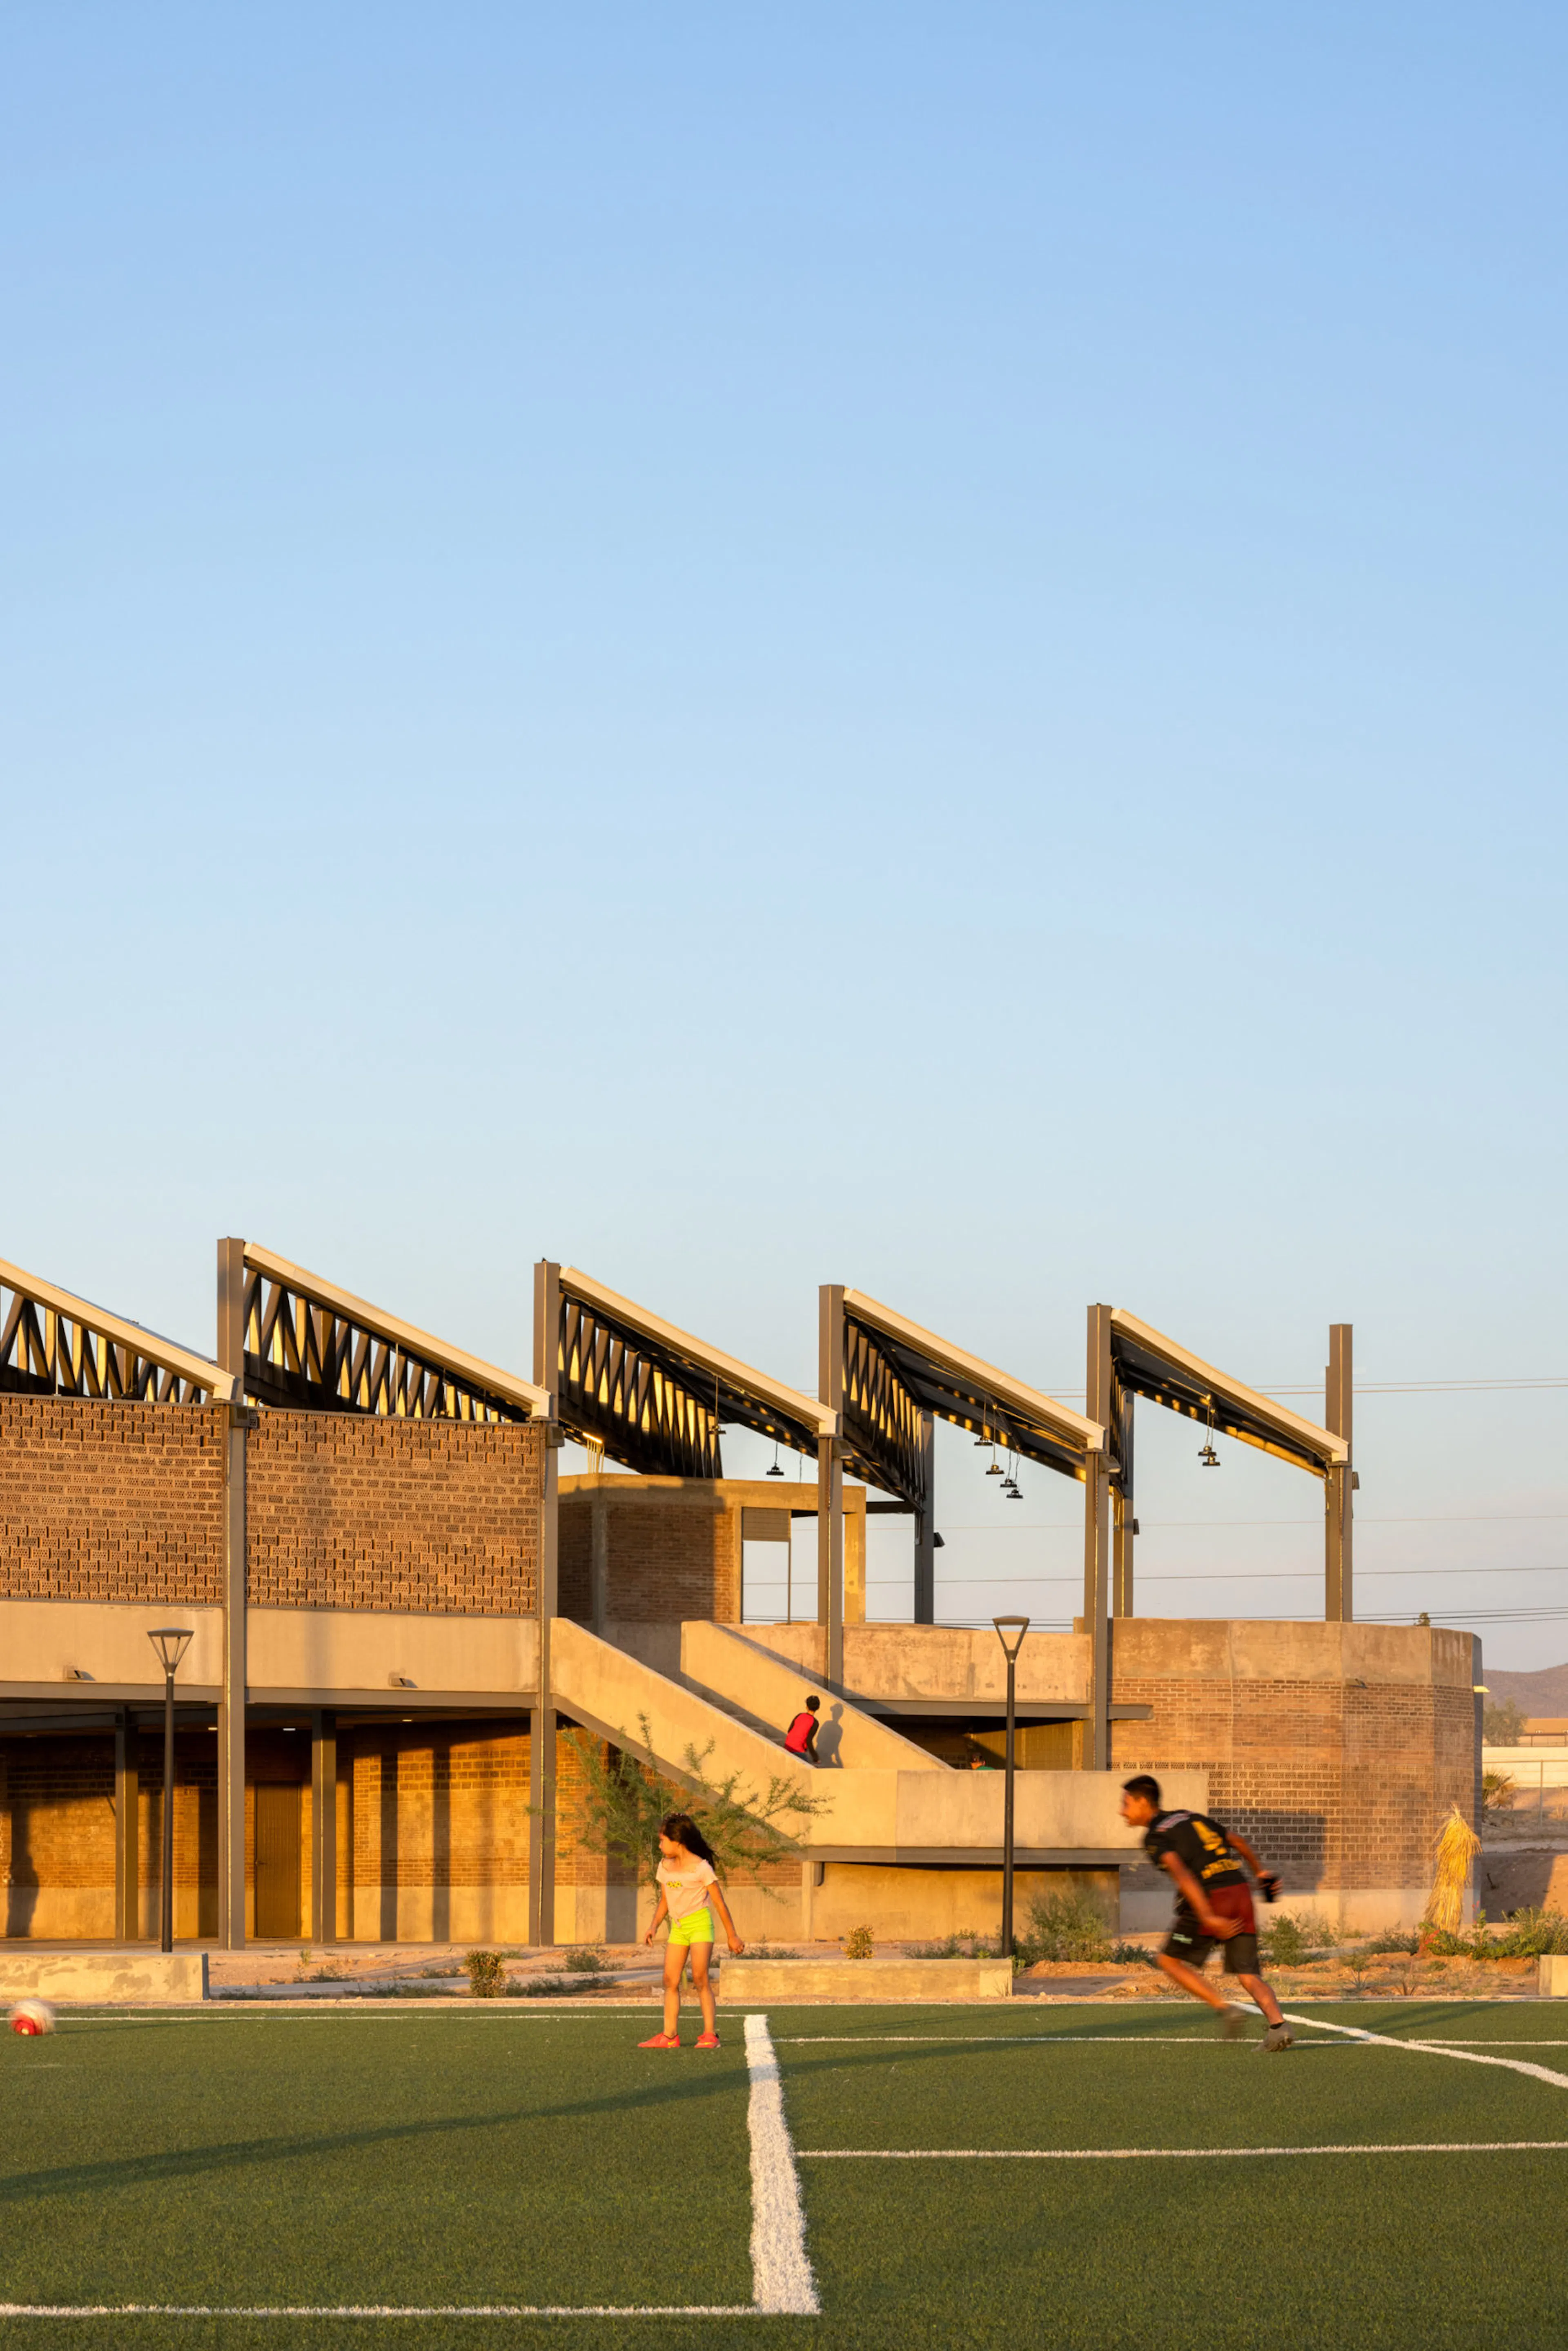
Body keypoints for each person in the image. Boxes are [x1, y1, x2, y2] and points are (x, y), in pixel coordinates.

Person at [1119, 1774, 1293, 2052]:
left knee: (1168, 1961)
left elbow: (1182, 1874)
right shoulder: (1189, 1817)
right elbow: (1237, 1842)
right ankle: (1278, 2027)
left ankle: (1225, 2009)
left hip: (1214, 1898)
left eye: (1126, 1803)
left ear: (1143, 1802)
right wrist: (1260, 1872)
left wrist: (1208, 1916)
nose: (1122, 1811)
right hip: (1240, 1891)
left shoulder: (1155, 1837)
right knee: (1247, 1974)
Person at [638, 1812, 745, 2050]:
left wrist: (732, 1936)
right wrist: (653, 1926)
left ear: (678, 1841)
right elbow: (665, 1901)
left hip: (700, 1925)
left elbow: (719, 1903)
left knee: (700, 1978)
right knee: (670, 1980)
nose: (660, 1846)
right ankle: (669, 2036)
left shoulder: (701, 1868)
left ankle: (710, 2035)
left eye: (662, 1840)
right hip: (679, 1928)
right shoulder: (664, 1867)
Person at [783, 1695, 820, 1761]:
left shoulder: (799, 1716)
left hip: (787, 1747)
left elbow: (790, 1730)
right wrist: (815, 1757)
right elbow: (809, 1741)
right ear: (818, 1708)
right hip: (799, 1751)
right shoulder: (815, 1723)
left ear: (807, 1707)